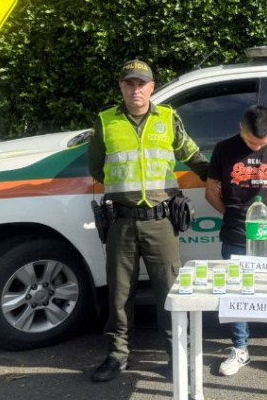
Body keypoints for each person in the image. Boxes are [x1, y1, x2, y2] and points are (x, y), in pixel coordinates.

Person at [87, 59, 209, 383]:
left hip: (161, 221)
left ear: (152, 87)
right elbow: (97, 168)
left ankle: (176, 357)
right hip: (122, 222)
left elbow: (193, 156)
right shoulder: (105, 122)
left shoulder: (169, 119)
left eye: (142, 83)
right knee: (119, 295)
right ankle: (116, 356)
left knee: (169, 292)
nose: (135, 89)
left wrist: (222, 175)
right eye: (129, 83)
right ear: (121, 87)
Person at [205, 105, 267, 379]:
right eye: (250, 142)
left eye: (262, 142)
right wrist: (235, 215)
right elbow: (211, 191)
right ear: (240, 128)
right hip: (236, 233)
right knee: (236, 292)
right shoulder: (224, 149)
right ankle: (240, 349)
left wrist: (264, 216)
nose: (256, 147)